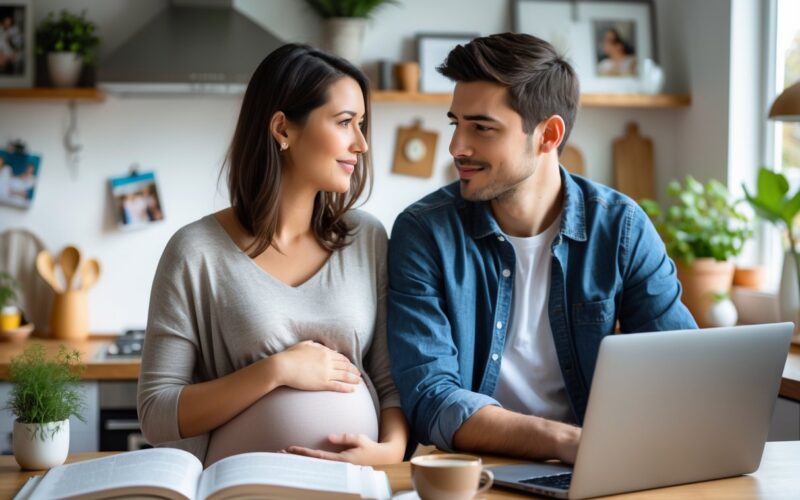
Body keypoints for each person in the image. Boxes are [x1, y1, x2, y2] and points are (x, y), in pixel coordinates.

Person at [387, 33, 696, 465]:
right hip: (479, 472)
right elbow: (430, 398)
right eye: (455, 123)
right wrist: (570, 443)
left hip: (597, 468)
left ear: (548, 135)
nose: (457, 146)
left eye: (481, 127)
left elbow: (681, 371)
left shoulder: (621, 228)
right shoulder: (424, 233)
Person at [138, 43, 408, 467]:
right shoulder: (196, 252)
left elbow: (390, 383)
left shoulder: (366, 238)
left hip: (353, 488)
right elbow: (156, 413)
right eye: (344, 123)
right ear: (283, 129)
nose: (361, 144)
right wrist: (277, 370)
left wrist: (390, 452)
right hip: (242, 491)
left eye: (362, 124)